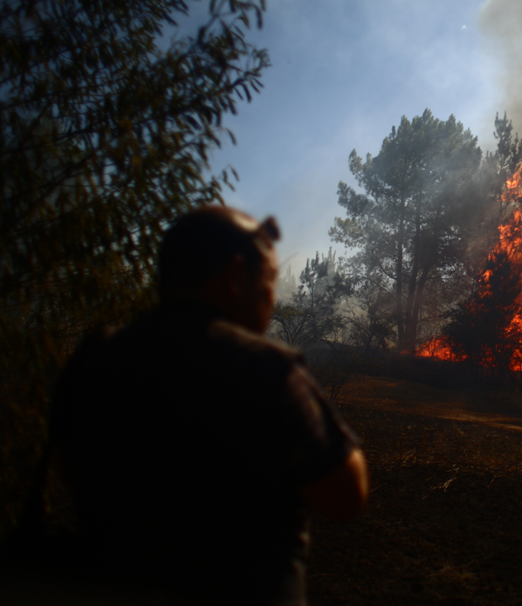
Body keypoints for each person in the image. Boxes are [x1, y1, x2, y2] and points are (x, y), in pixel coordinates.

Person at [50, 205, 368, 605]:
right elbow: (345, 496)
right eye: (269, 280)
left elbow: (68, 463)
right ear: (235, 276)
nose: (271, 297)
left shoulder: (95, 358)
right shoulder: (265, 369)